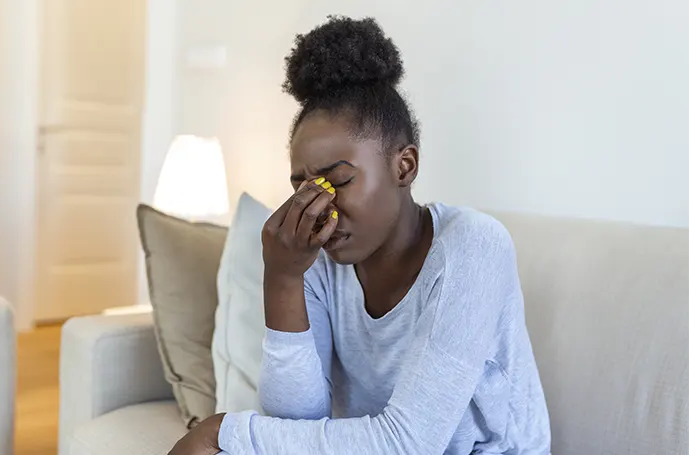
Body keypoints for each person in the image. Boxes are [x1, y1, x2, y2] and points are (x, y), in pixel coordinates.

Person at [170, 15, 551, 455]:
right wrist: (283, 279)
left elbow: (410, 443)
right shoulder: (316, 254)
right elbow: (294, 426)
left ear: (404, 166)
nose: (316, 206)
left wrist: (225, 432)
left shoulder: (474, 245)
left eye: (339, 181)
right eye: (302, 187)